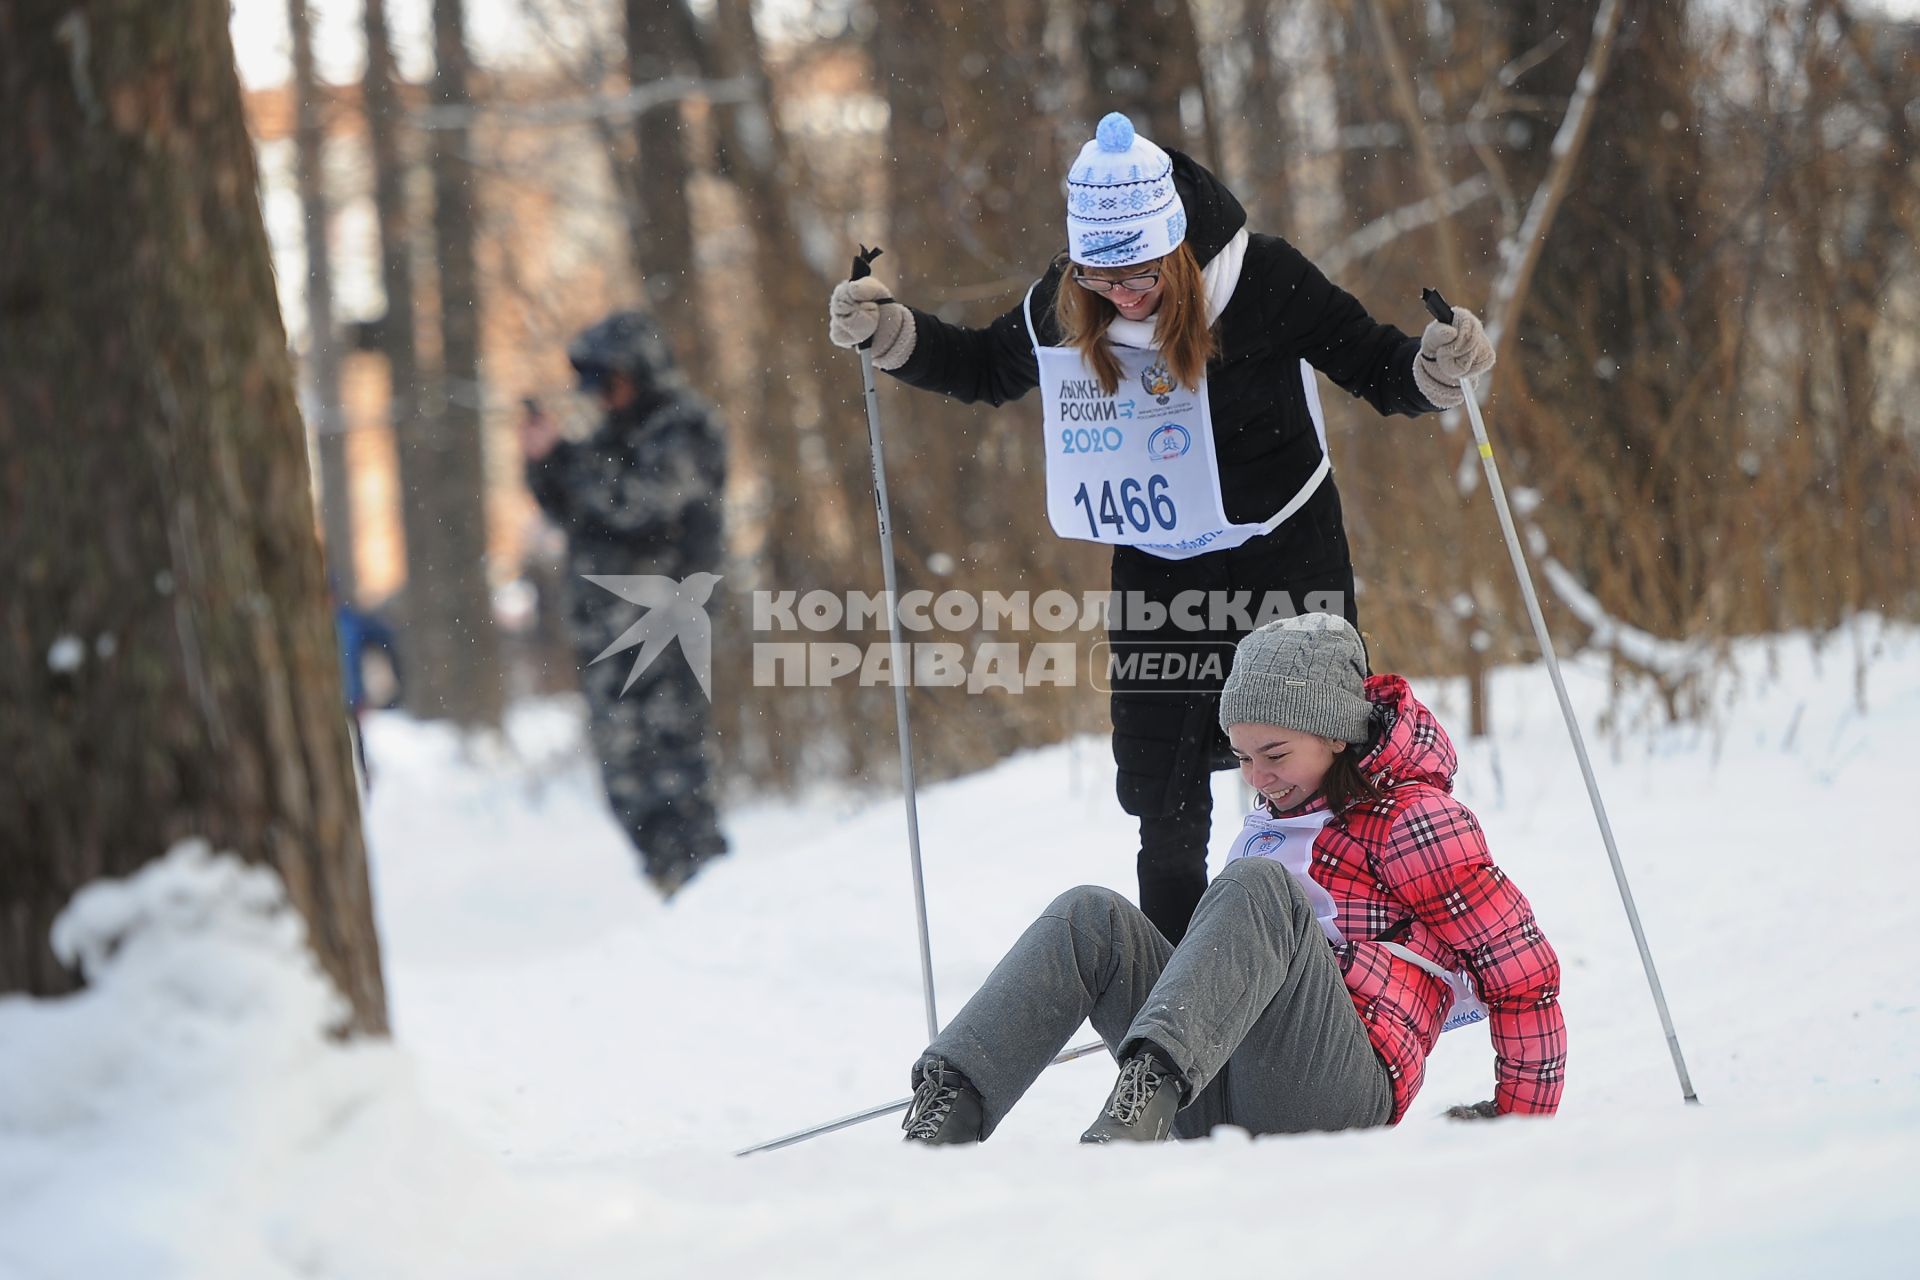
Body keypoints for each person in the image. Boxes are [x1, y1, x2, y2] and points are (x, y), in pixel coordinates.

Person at [828, 114, 1496, 943]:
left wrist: (1434, 367)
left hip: (1283, 555)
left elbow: (1375, 365)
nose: (1124, 294)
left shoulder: (1263, 280)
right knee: (1164, 792)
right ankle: (1181, 1001)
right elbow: (983, 368)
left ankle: (1338, 965)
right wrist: (895, 336)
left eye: (1141, 273)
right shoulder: (1071, 301)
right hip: (1159, 562)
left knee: (1310, 768)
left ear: (1177, 246)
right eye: (1101, 277)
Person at [899, 613, 1565, 1144]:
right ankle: (949, 1114)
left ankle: (1144, 1099)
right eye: (1243, 756)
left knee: (1258, 886)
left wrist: (1519, 1124)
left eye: (1275, 754)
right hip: (1217, 1086)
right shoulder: (1274, 822)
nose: (1257, 776)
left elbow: (1520, 971)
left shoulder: (1413, 820)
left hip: (1337, 1095)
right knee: (1090, 917)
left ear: (1335, 733)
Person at [520, 311, 729, 899]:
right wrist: (544, 459)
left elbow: (636, 504)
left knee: (675, 771)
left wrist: (569, 457)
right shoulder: (610, 440)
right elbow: (570, 507)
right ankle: (675, 887)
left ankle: (711, 893)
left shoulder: (684, 428)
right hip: (609, 637)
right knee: (626, 779)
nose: (602, 397)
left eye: (608, 380)